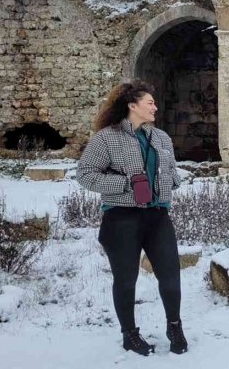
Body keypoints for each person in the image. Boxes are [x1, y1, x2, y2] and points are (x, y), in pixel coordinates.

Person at [77, 80, 187, 355]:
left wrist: (170, 181)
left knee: (171, 275)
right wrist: (125, 184)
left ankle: (175, 326)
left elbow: (171, 170)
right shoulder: (106, 138)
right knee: (126, 279)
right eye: (150, 102)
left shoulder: (161, 137)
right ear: (132, 105)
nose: (155, 107)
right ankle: (130, 334)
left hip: (158, 216)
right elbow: (85, 175)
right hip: (121, 218)